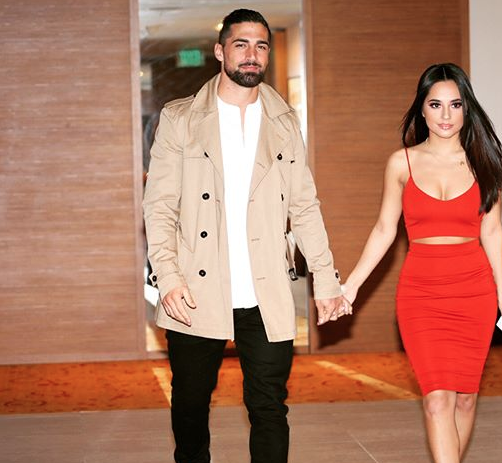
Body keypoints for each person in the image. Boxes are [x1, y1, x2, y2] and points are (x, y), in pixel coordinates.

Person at [143, 9, 350, 463]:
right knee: (191, 404)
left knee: (269, 405)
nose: (251, 54)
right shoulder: (180, 119)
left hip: (265, 287)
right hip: (195, 289)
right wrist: (169, 276)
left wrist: (326, 279)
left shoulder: (283, 122)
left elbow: (304, 206)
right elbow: (159, 207)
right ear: (220, 52)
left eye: (260, 45)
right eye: (241, 44)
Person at [341, 63, 502, 462]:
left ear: (466, 109)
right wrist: (351, 285)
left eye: (455, 105)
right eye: (435, 104)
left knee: (466, 399)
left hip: (474, 292)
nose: (445, 115)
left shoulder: (484, 161)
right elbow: (384, 229)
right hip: (420, 294)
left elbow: (493, 231)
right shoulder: (401, 163)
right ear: (421, 109)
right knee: (437, 400)